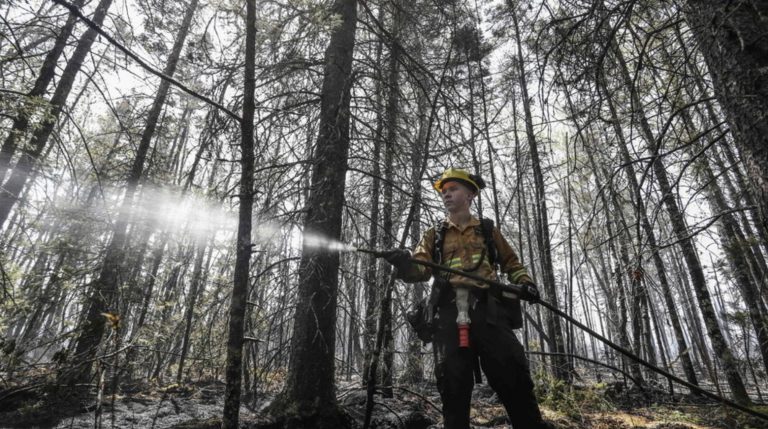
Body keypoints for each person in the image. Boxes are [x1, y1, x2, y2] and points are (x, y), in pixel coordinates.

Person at [384, 168, 550, 429]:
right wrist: (404, 264)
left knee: (513, 375)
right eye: (444, 191)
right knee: (452, 384)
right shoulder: (433, 234)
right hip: (449, 316)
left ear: (470, 194)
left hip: (489, 312)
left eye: (453, 189)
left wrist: (526, 283)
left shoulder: (487, 230)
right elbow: (420, 270)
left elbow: (511, 263)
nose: (446, 194)